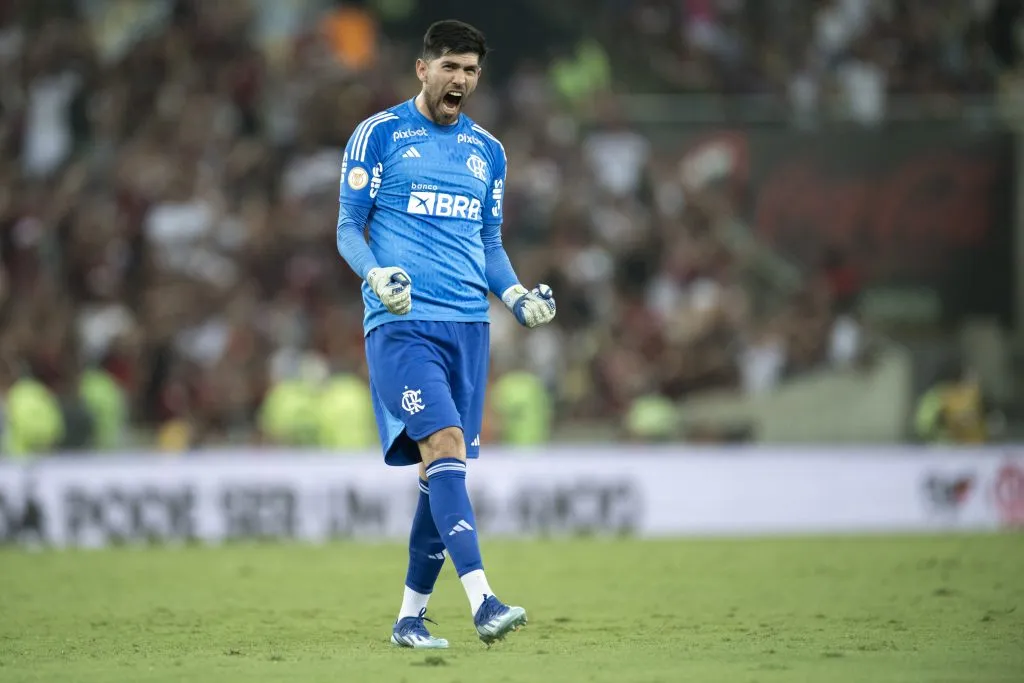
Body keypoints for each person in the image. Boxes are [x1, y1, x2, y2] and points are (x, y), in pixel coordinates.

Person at [335, 20, 556, 648]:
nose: (460, 80)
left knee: (442, 469)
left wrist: (515, 296)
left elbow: (488, 243)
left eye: (471, 71)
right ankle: (484, 602)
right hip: (403, 326)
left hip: (469, 329)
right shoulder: (379, 135)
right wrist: (377, 276)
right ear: (422, 69)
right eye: (450, 67)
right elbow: (349, 227)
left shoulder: (488, 151)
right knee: (447, 441)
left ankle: (409, 619)